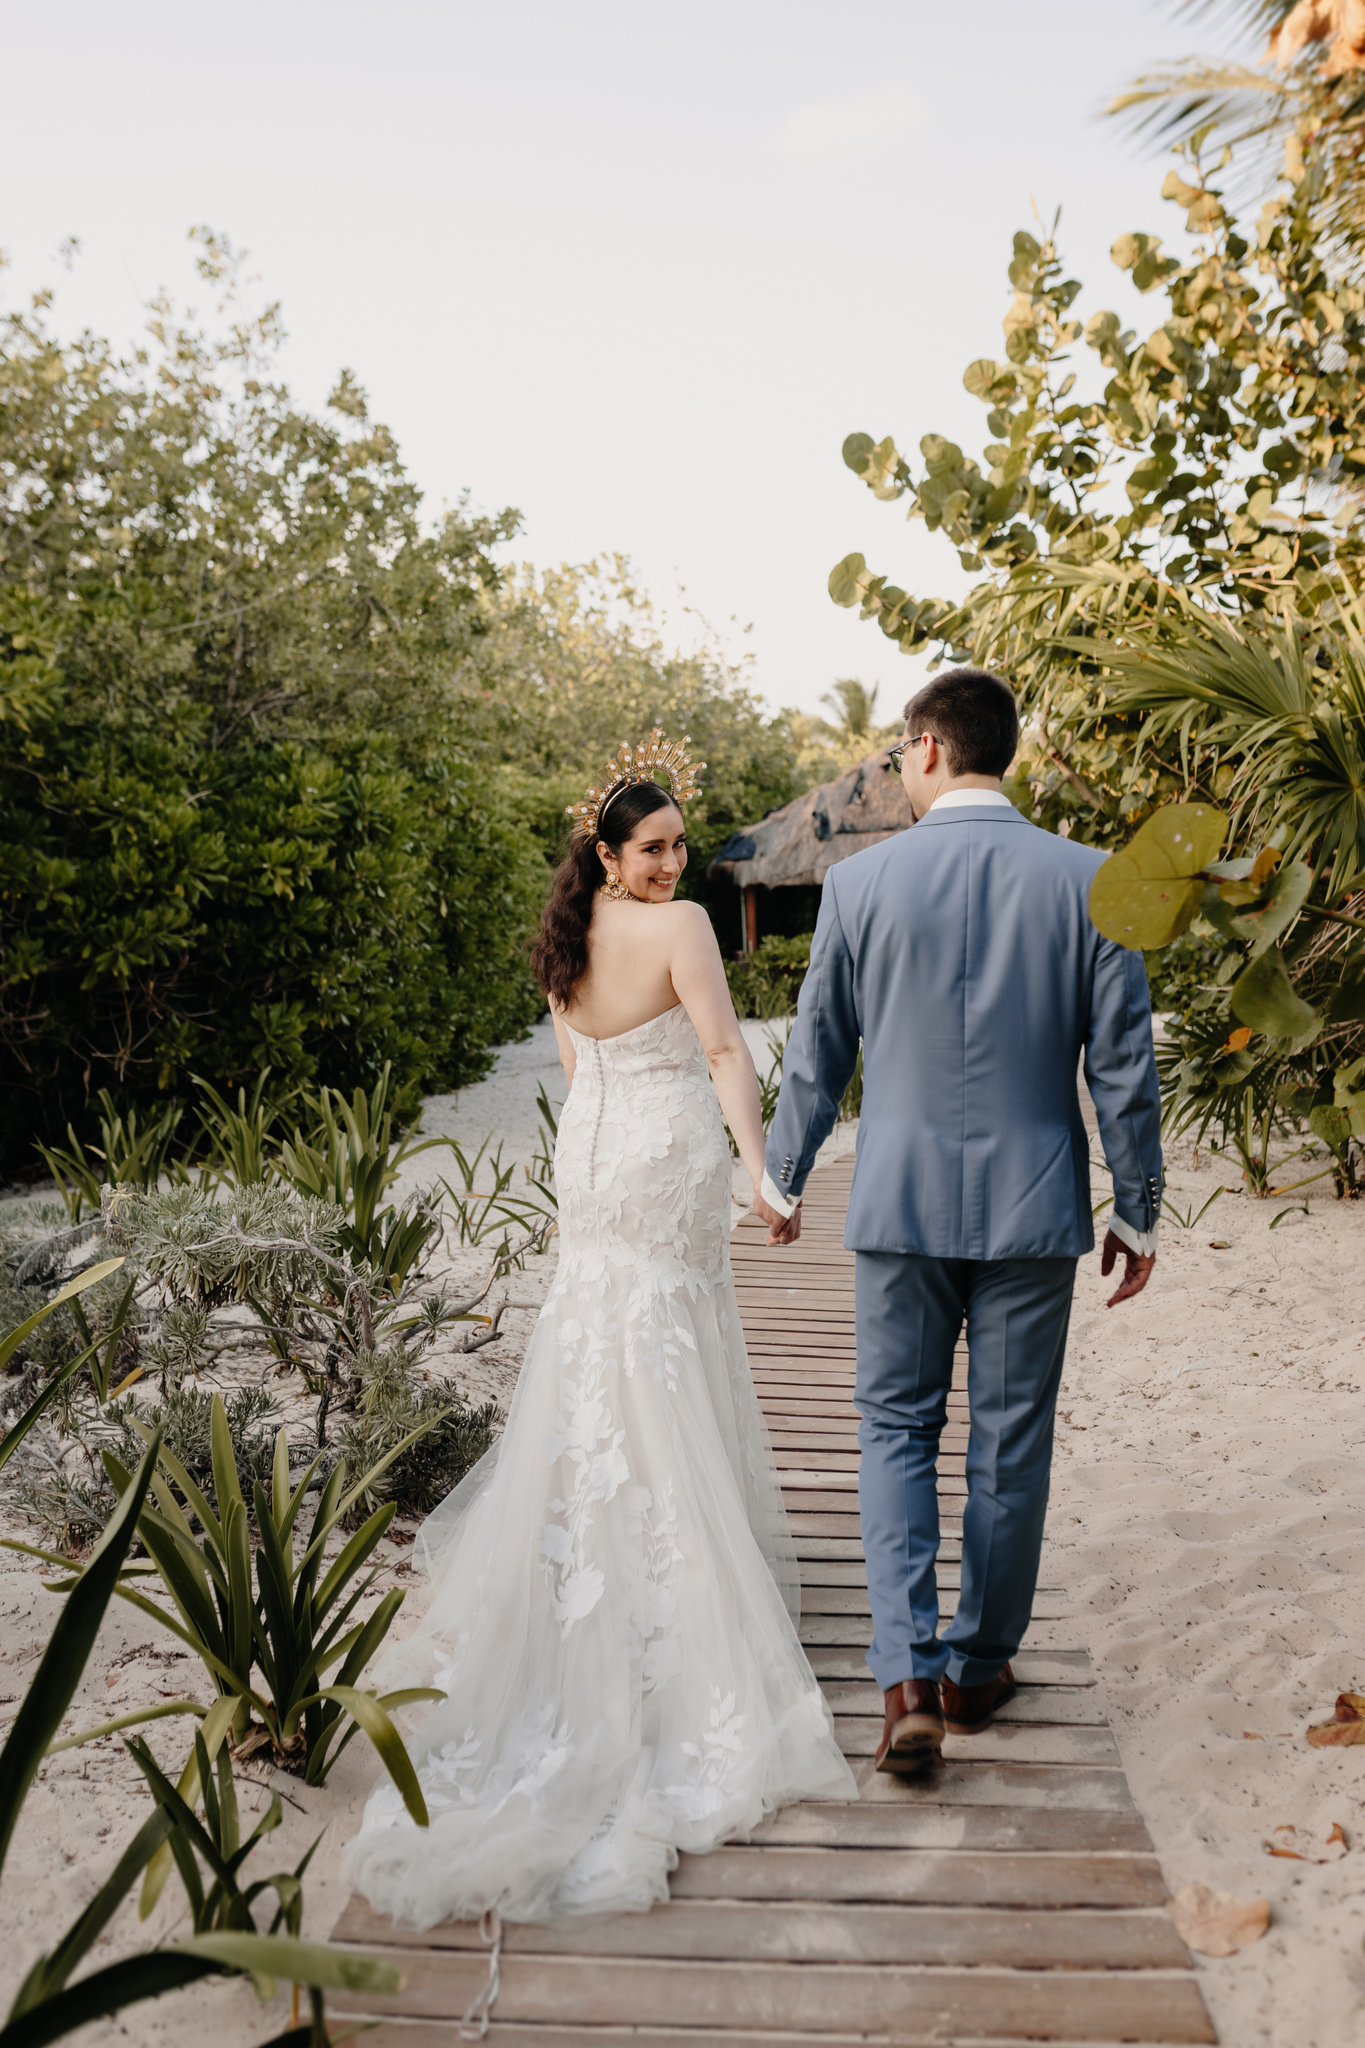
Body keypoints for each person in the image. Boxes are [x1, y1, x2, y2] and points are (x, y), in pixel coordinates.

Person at [342, 732, 854, 1929]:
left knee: (600, 1344)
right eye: (654, 847)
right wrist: (762, 1172)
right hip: (662, 1152)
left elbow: (579, 1069)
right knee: (662, 1341)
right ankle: (676, 1584)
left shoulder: (568, 937)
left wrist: (627, 1150)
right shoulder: (683, 929)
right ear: (611, 853)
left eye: (679, 845)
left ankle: (591, 1569)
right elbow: (723, 1049)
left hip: (594, 1156)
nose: (673, 862)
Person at [761, 669, 1162, 1776]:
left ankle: (904, 1678)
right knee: (1009, 1437)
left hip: (897, 1202)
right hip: (1036, 1204)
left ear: (929, 749)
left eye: (901, 753)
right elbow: (1124, 1068)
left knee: (895, 1428)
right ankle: (978, 1669)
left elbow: (818, 1049)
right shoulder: (1093, 880)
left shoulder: (859, 883)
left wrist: (785, 1176)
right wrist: (1137, 1208)